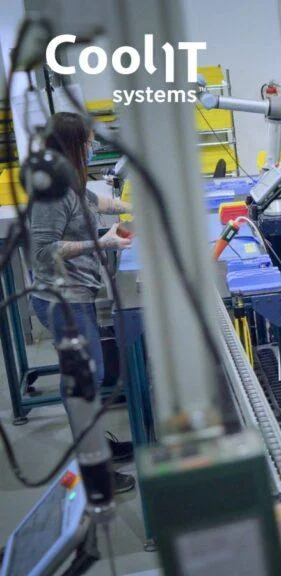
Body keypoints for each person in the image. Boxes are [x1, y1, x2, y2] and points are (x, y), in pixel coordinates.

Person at [28, 112, 135, 494]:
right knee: (86, 380)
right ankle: (94, 471)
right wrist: (100, 243)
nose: (93, 147)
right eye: (88, 142)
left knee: (91, 376)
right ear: (73, 145)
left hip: (79, 294)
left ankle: (96, 447)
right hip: (61, 300)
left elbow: (92, 202)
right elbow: (43, 251)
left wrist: (131, 208)